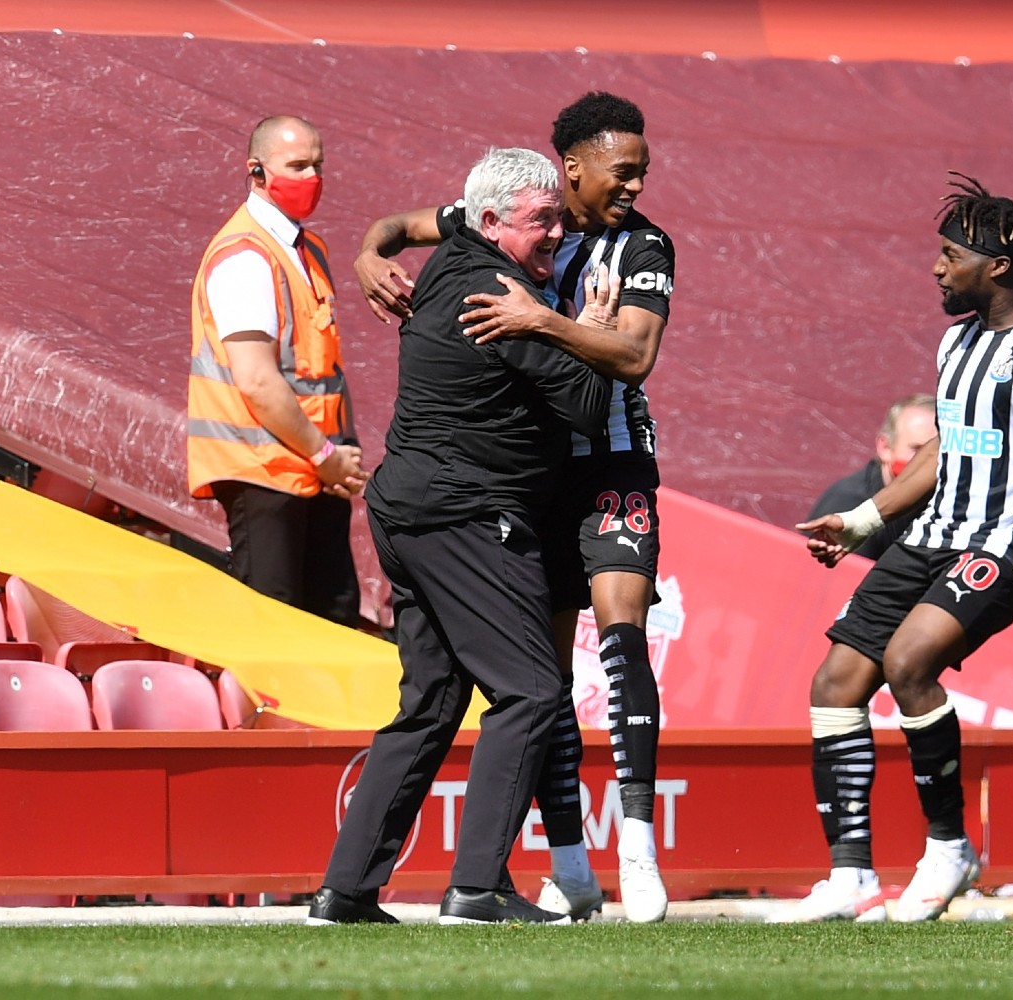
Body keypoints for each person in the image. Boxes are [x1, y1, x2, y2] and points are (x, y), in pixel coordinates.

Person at [353, 91, 674, 923]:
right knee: (536, 683)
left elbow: (633, 353)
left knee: (619, 632)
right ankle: (560, 862)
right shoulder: (501, 219)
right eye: (622, 170)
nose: (635, 185)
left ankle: (635, 847)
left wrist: (546, 321)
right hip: (527, 483)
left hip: (610, 464)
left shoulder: (642, 245)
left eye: (641, 170)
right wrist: (363, 253)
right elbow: (394, 226)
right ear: (570, 170)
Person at [783, 173, 1013, 923]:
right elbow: (943, 454)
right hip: (930, 537)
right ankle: (851, 877)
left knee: (907, 663)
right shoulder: (956, 340)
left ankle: (947, 846)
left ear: (995, 265)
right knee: (834, 685)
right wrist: (864, 520)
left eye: (946, 253)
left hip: (1006, 545)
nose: (935, 267)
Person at [307, 147, 612, 926]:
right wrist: (591, 325)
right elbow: (586, 400)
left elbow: (407, 222)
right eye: (539, 220)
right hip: (466, 512)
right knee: (532, 691)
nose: (555, 232)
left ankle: (346, 891)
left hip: (405, 504)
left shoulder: (450, 254)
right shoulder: (499, 297)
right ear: (489, 223)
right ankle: (477, 887)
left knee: (433, 700)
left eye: (557, 215)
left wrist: (371, 250)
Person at [188, 115, 368, 626]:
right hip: (264, 471)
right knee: (273, 627)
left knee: (333, 621)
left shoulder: (306, 251)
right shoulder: (246, 256)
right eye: (297, 166)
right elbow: (257, 380)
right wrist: (324, 452)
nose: (311, 177)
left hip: (315, 469)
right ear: (257, 171)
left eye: (318, 165)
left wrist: (337, 454)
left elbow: (323, 367)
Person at [805, 393, 938, 561]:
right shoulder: (848, 505)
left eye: (937, 454)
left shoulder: (945, 502)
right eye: (917, 450)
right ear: (885, 448)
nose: (929, 462)